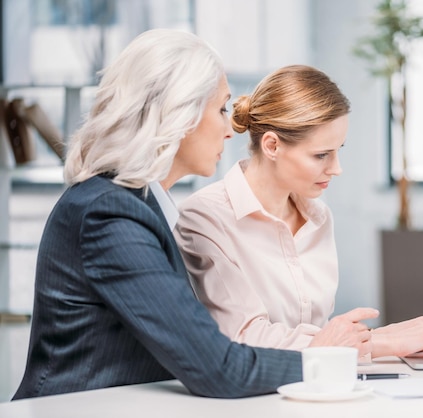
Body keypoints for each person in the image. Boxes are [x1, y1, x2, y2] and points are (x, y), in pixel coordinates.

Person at [12, 30, 377, 401]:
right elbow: (217, 368)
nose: (229, 130)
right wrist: (323, 356)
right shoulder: (109, 214)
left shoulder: (146, 205)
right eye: (220, 109)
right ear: (178, 114)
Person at [174, 65, 423, 359]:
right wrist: (378, 341)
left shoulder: (318, 218)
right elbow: (244, 337)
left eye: (338, 149)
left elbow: (323, 340)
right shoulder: (205, 218)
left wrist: (367, 344)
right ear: (272, 146)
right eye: (321, 155)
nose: (337, 168)